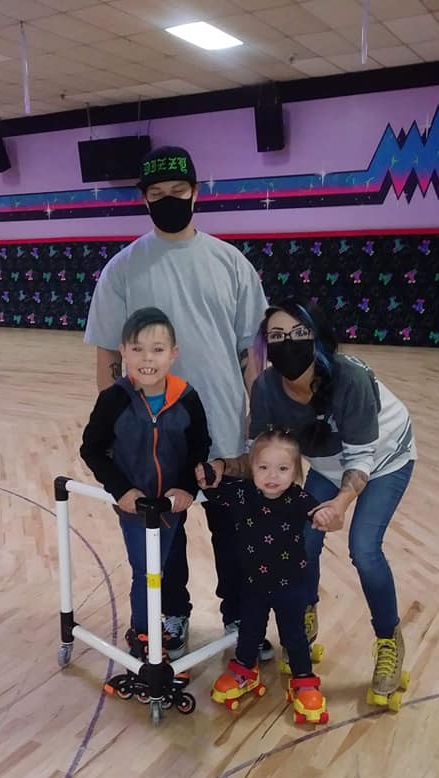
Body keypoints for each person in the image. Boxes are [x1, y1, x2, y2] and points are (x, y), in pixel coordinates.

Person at [84, 144, 269, 659]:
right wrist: (116, 426)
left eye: (178, 190)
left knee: (234, 535)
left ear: (196, 192)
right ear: (144, 198)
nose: (169, 199)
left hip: (226, 430)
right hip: (155, 437)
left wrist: (258, 421)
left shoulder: (231, 263)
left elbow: (252, 352)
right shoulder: (123, 269)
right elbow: (108, 354)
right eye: (157, 193)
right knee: (163, 538)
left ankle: (241, 617)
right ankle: (171, 615)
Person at [205, 298, 416, 703]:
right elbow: (260, 454)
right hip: (328, 462)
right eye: (277, 336)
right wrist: (222, 466)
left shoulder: (350, 378)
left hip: (385, 458)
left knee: (364, 549)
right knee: (303, 539)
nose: (288, 343)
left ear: (317, 337)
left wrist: (339, 504)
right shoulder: (267, 388)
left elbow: (361, 458)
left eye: (299, 333)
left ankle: (388, 640)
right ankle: (304, 609)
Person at [80, 307, 210, 659]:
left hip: (172, 506)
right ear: (123, 351)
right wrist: (121, 489)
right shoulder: (114, 399)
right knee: (146, 571)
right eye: (137, 349)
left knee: (169, 563)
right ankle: (143, 634)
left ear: (173, 354)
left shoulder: (187, 397)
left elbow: (199, 447)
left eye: (157, 349)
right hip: (135, 508)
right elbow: (92, 449)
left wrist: (187, 487)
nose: (147, 358)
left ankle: (172, 617)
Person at [196, 429, 328, 725]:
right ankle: (245, 669)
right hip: (254, 583)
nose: (272, 476)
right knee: (250, 630)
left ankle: (304, 679)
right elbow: (213, 492)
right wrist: (205, 476)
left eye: (282, 469)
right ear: (252, 468)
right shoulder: (242, 494)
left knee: (294, 635)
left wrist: (323, 516)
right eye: (263, 467)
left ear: (295, 472)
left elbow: (317, 512)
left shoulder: (299, 498)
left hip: (290, 585)